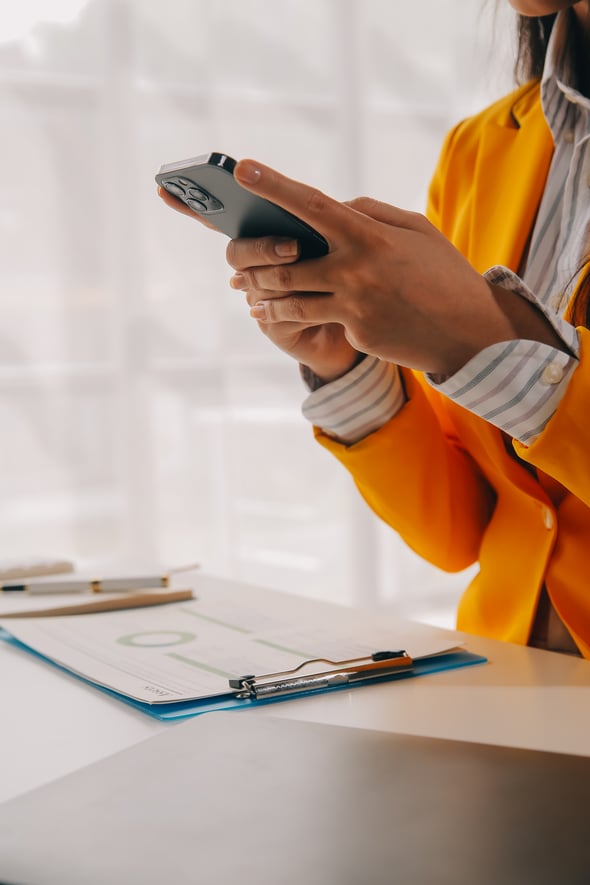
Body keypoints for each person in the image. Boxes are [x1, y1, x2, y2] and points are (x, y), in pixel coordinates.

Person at [160, 2, 590, 656]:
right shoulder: (478, 148)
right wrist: (350, 370)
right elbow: (459, 532)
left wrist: (480, 342)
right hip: (502, 690)